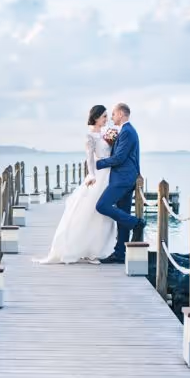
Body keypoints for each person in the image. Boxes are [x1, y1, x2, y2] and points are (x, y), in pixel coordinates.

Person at [38, 105, 119, 264]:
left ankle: (98, 249)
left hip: (110, 175)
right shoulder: (90, 136)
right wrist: (91, 175)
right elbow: (89, 158)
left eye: (107, 116)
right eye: (104, 116)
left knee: (104, 216)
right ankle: (85, 249)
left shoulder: (106, 133)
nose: (106, 119)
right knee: (91, 211)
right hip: (99, 175)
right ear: (96, 118)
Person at [94, 102, 145, 264]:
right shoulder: (126, 131)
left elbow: (119, 158)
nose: (112, 117)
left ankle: (137, 223)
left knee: (102, 205)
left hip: (122, 178)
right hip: (126, 177)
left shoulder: (128, 132)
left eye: (114, 114)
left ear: (121, 114)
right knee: (121, 217)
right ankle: (120, 254)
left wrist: (97, 164)